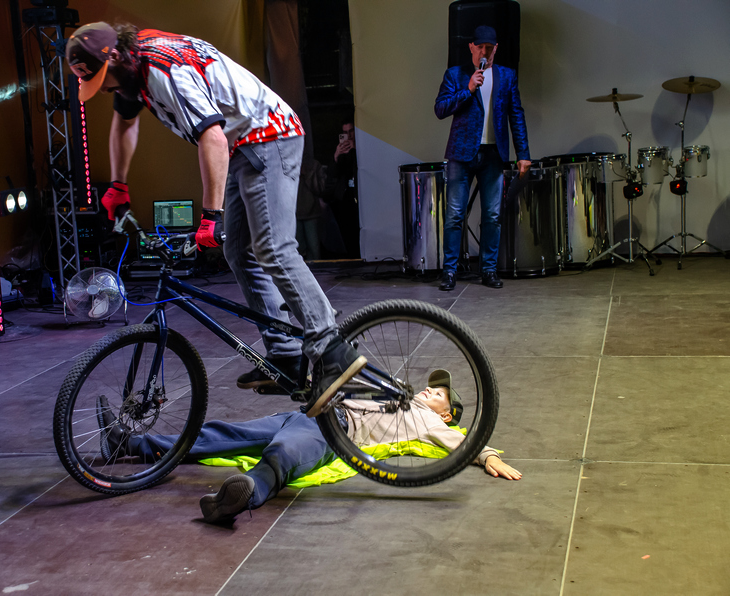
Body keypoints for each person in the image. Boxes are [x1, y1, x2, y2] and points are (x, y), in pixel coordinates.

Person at [65, 22, 365, 415]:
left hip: (270, 135)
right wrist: (118, 185)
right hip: (243, 146)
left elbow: (213, 137)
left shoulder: (163, 71)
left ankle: (332, 348)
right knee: (239, 253)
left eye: (102, 78)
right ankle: (286, 355)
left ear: (116, 56)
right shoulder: (131, 69)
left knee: (273, 247)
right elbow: (124, 122)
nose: (103, 88)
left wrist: (211, 215)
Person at [96, 369, 521, 524]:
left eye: (439, 394)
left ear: (446, 414)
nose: (430, 391)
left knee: (285, 454)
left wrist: (488, 457)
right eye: (432, 387)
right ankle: (129, 442)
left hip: (334, 429)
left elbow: (464, 443)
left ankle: (244, 496)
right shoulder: (399, 393)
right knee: (220, 434)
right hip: (307, 412)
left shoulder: (430, 422)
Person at [434, 25, 531, 291]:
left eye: (489, 48)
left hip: (493, 154)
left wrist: (523, 154)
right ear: (471, 47)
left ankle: (488, 269)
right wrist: (468, 89)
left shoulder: (507, 76)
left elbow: (516, 115)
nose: (484, 52)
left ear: (495, 48)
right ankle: (449, 271)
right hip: (461, 154)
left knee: (492, 215)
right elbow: (440, 109)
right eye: (480, 47)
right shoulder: (455, 74)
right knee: (455, 215)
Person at [328, 117, 360, 258]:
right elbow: (333, 174)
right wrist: (336, 156)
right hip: (344, 196)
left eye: (351, 131)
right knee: (347, 230)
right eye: (345, 132)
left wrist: (355, 149)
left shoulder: (361, 147)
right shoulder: (341, 150)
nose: (349, 135)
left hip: (360, 194)